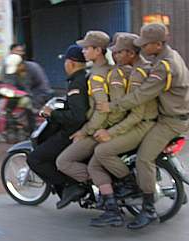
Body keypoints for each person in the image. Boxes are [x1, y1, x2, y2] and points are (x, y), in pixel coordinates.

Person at [97, 23, 189, 229]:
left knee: (144, 158)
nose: (142, 48)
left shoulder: (163, 66)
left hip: (170, 121)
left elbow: (141, 96)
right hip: (177, 114)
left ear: (158, 44)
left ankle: (148, 209)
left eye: (145, 45)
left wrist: (111, 106)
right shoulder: (169, 56)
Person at [88, 33, 158, 227]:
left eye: (118, 52)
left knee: (102, 150)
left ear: (130, 53)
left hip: (143, 123)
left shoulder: (137, 74)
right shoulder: (136, 69)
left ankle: (130, 184)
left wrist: (110, 132)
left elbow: (136, 115)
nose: (115, 56)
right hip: (142, 120)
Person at [56, 31, 130, 209]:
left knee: (63, 161)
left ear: (98, 51)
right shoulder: (108, 70)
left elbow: (101, 110)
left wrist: (84, 131)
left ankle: (103, 190)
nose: (82, 51)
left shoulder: (97, 76)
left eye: (86, 48)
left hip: (99, 128)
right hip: (110, 124)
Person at [27, 44, 89, 198]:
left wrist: (53, 114)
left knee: (35, 159)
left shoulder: (77, 83)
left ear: (71, 63)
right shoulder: (84, 77)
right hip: (81, 128)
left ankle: (69, 185)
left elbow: (77, 116)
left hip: (73, 132)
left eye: (65, 62)